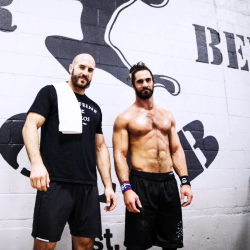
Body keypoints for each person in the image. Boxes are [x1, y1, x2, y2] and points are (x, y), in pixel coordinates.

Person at [22, 54, 117, 250]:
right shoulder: (51, 92)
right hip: (55, 182)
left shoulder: (95, 108)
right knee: (45, 245)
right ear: (71, 68)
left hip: (87, 185)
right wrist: (37, 164)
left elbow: (100, 147)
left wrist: (108, 186)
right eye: (82, 67)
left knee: (86, 244)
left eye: (90, 70)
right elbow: (30, 126)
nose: (85, 73)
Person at [113, 62, 193, 250]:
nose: (145, 84)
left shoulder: (167, 116)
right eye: (140, 81)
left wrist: (185, 181)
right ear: (133, 85)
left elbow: (176, 150)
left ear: (153, 82)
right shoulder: (125, 118)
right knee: (137, 245)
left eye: (148, 80)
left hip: (168, 183)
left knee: (171, 242)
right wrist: (126, 189)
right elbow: (120, 154)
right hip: (142, 183)